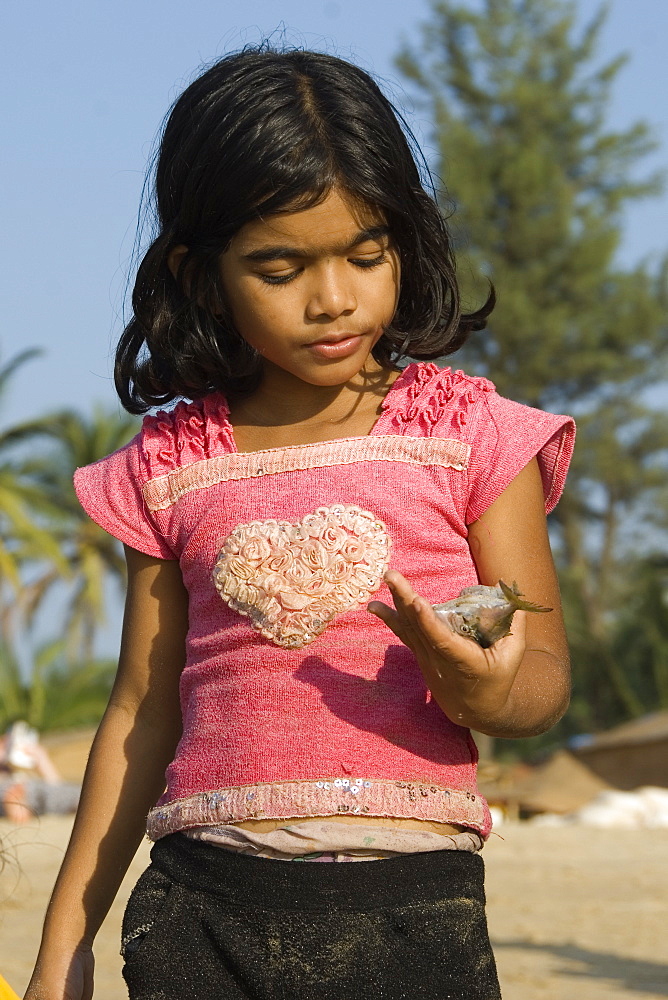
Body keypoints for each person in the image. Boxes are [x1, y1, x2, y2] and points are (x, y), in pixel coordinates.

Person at [25, 46, 575, 1000]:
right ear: (202, 277)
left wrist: (476, 689)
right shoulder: (172, 463)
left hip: (418, 914)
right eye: (280, 267)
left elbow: (541, 686)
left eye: (367, 255)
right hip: (201, 910)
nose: (334, 299)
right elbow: (141, 712)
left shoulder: (475, 436)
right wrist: (61, 953)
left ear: (407, 240)